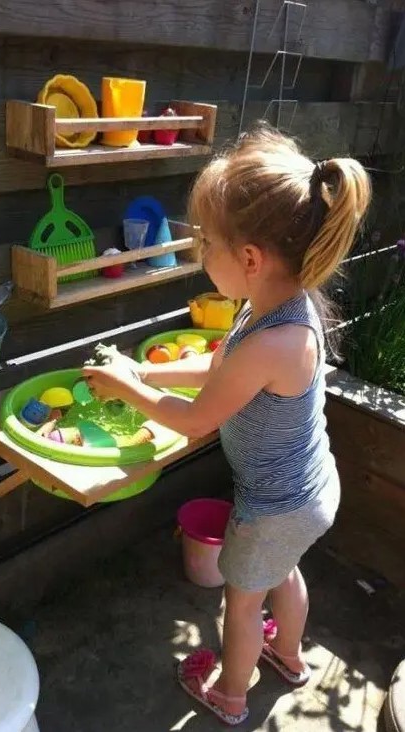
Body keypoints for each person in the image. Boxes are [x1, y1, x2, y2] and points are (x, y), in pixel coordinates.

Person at [82, 124, 371, 726]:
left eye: (205, 242)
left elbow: (194, 423)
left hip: (272, 510)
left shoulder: (276, 340)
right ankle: (288, 657)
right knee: (283, 575)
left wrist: (127, 390)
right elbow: (218, 369)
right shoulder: (277, 307)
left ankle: (230, 695)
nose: (199, 254)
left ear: (248, 258)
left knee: (240, 606)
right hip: (309, 493)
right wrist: (146, 374)